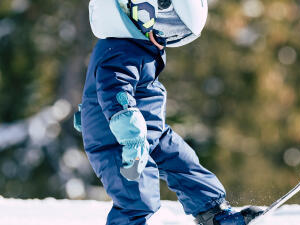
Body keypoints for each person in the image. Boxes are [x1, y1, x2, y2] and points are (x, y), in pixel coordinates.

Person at [75, 0, 263, 224]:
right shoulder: (120, 50)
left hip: (150, 131)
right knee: (138, 197)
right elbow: (115, 91)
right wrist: (131, 136)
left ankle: (214, 213)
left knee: (183, 162)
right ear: (136, 12)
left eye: (174, 31)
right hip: (120, 141)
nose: (165, 36)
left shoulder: (136, 45)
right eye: (166, 25)